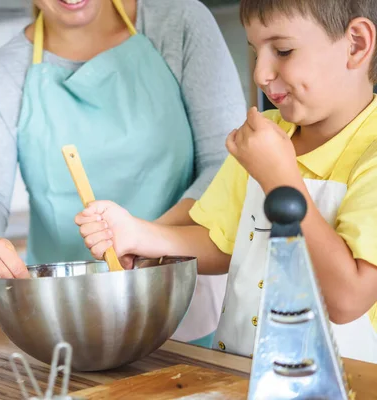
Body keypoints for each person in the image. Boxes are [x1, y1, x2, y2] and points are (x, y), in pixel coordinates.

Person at [76, 0, 377, 363]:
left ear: (357, 43)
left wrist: (279, 179)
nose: (261, 73)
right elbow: (222, 241)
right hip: (239, 376)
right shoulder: (263, 137)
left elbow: (348, 300)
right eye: (255, 51)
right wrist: (139, 235)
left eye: (282, 50)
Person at [0, 0, 247, 348]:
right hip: (64, 317)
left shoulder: (178, 23)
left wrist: (144, 238)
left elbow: (226, 166)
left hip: (183, 301)